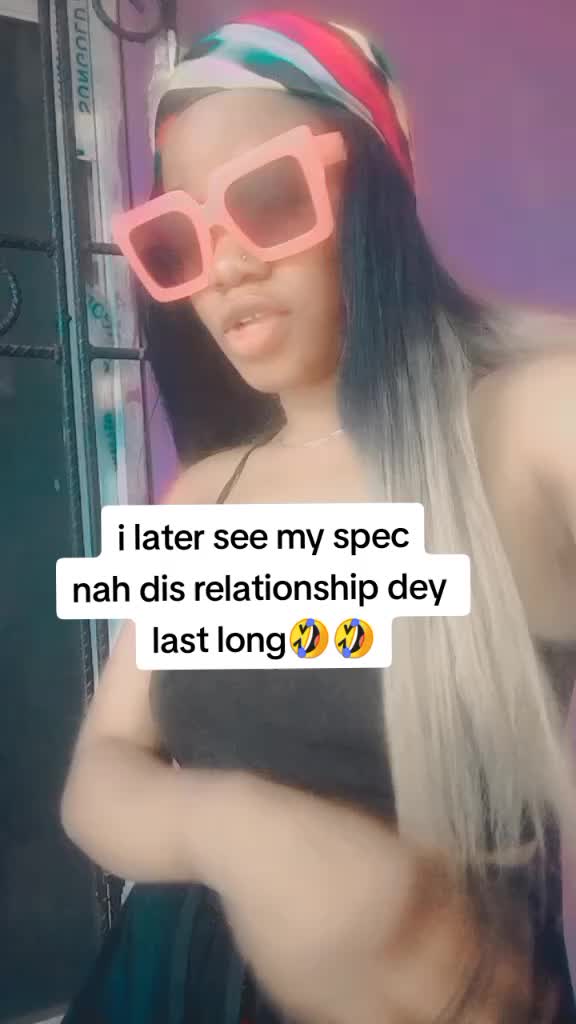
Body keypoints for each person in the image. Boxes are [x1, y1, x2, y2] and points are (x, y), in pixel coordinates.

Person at [61, 10, 576, 1023]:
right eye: (178, 240)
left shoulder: (526, 422)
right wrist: (241, 830)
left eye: (267, 198)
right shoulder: (209, 495)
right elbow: (100, 776)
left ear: (373, 190)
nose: (226, 267)